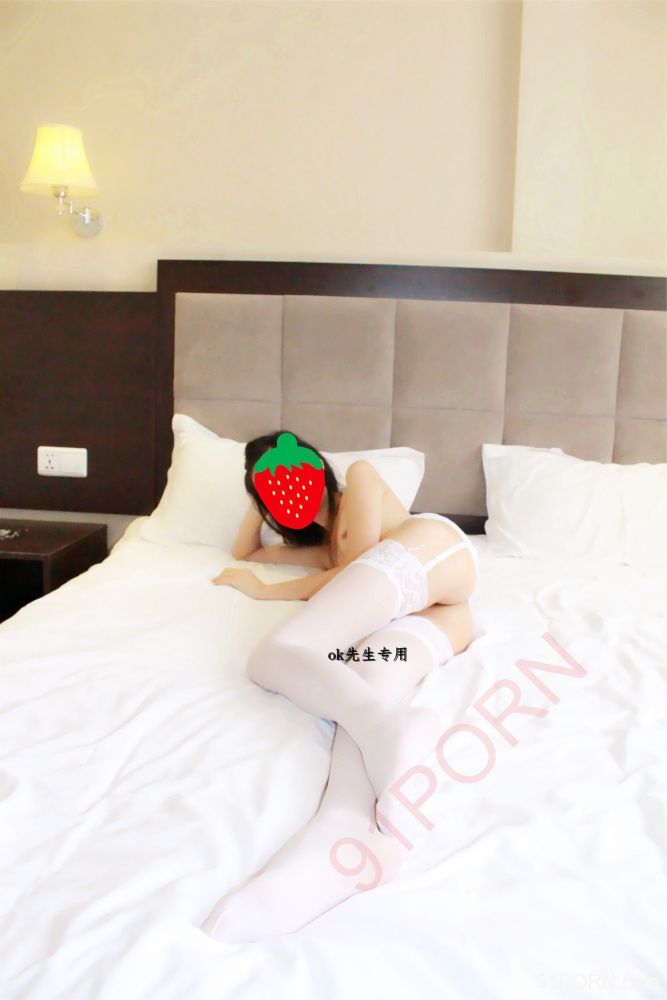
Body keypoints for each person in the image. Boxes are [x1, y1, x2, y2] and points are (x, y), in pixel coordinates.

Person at [201, 431, 477, 943]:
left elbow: (357, 570)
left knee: (274, 654)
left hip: (433, 553)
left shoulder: (361, 479)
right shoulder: (320, 547)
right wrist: (258, 503)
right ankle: (346, 838)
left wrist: (266, 593)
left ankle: (388, 729)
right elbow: (248, 552)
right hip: (445, 615)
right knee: (362, 676)